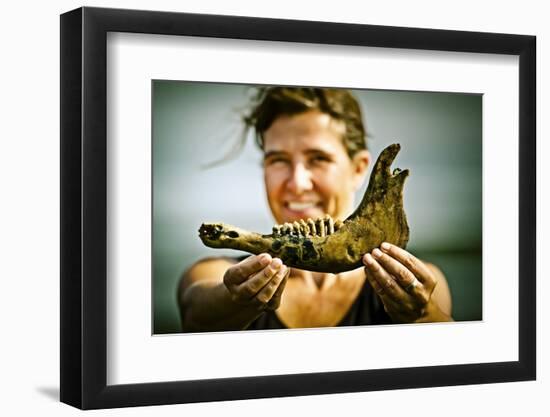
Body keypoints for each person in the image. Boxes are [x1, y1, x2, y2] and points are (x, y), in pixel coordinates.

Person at [177, 87, 452, 332]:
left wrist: (425, 316)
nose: (297, 184)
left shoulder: (419, 285)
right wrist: (232, 300)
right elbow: (198, 315)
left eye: (318, 158)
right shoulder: (212, 272)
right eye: (279, 160)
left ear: (358, 170)